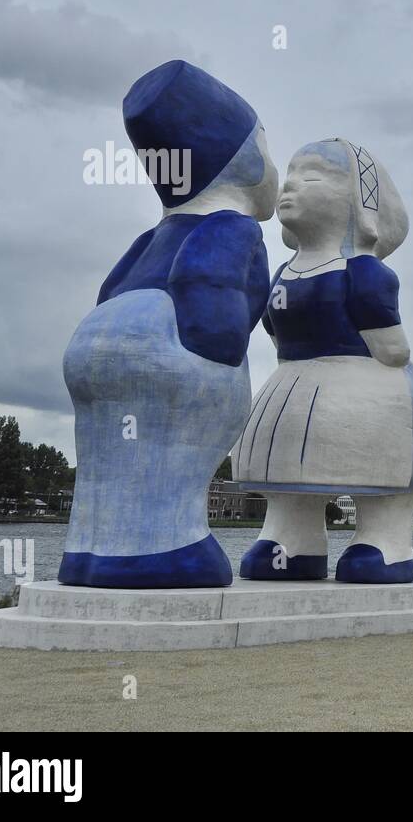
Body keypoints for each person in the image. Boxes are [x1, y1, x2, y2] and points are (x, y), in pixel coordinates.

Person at [59, 60, 276, 588]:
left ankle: (88, 549)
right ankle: (163, 546)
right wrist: (217, 348)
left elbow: (111, 287)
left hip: (100, 338)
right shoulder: (233, 225)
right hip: (170, 343)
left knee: (111, 452)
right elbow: (216, 293)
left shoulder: (151, 237)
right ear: (244, 162)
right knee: (175, 443)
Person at [235, 138, 413, 583]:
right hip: (295, 383)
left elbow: (392, 347)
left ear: (361, 202)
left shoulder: (363, 272)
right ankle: (292, 540)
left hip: (367, 392)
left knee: (377, 469)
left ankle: (385, 541)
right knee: (291, 470)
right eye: (288, 177)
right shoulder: (286, 270)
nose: (289, 187)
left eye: (310, 177)